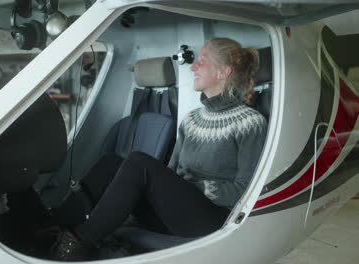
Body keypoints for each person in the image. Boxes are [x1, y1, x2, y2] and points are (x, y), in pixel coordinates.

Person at [50, 38, 267, 261]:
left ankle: (78, 243)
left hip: (210, 218)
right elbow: (172, 170)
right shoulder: (191, 120)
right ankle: (52, 225)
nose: (193, 66)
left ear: (223, 72)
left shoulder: (250, 123)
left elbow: (246, 190)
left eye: (202, 61)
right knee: (112, 162)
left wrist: (198, 187)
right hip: (176, 212)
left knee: (138, 162)